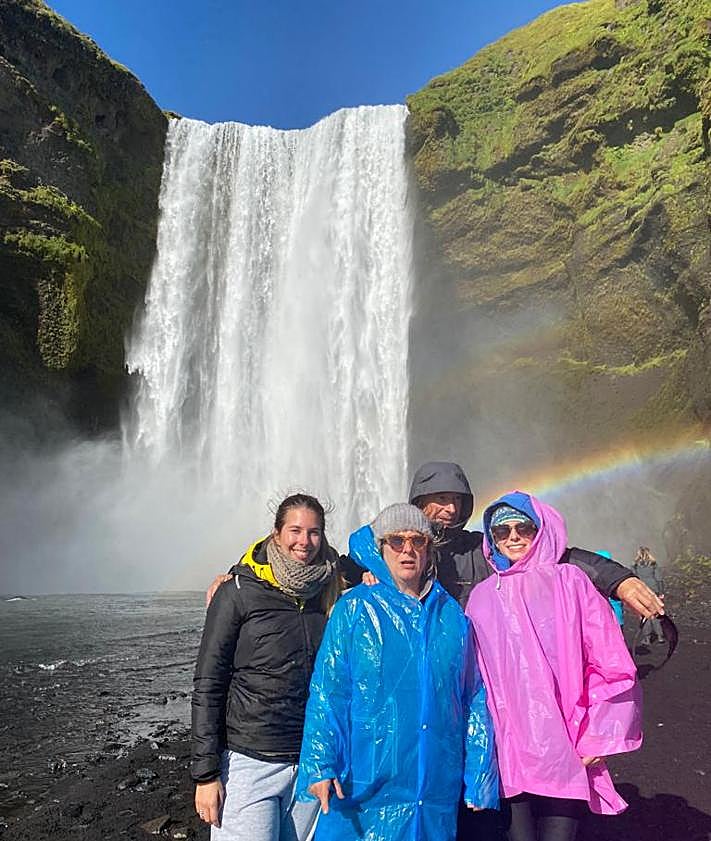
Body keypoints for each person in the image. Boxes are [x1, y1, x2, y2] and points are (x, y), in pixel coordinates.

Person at [296, 503, 499, 841]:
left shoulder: (451, 616)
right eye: (397, 540)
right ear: (381, 548)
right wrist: (320, 763)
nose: (408, 550)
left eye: (418, 540)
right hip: (364, 782)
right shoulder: (355, 608)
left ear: (429, 549)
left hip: (434, 785)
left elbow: (473, 696)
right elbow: (329, 691)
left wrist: (479, 774)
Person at [466, 492, 643, 841]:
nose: (513, 537)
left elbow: (609, 663)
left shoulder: (571, 582)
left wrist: (598, 736)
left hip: (566, 744)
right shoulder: (482, 596)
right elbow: (474, 681)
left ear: (541, 530)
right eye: (502, 531)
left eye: (523, 528)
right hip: (509, 748)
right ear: (492, 539)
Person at [191, 493, 342, 840]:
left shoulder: (330, 585)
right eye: (295, 530)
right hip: (249, 760)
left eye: (314, 532)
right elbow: (208, 683)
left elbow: (381, 551)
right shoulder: (238, 591)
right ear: (276, 534)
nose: (304, 541)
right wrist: (205, 774)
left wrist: (370, 574)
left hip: (309, 762)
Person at [633, 546, 665, 645]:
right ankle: (660, 636)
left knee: (644, 614)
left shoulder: (635, 565)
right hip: (653, 590)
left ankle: (647, 638)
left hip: (642, 590)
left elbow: (634, 579)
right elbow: (659, 579)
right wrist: (661, 592)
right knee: (655, 613)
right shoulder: (653, 564)